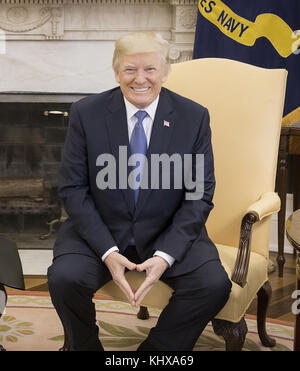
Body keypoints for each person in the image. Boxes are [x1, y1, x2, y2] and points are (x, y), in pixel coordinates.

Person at [47, 31, 232, 351]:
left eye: (150, 69)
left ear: (165, 71)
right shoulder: (85, 112)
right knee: (64, 279)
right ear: (117, 72)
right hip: (99, 231)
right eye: (130, 70)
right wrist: (107, 250)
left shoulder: (194, 116)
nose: (140, 79)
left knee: (213, 285)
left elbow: (199, 192)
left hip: (168, 229)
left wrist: (165, 255)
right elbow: (72, 188)